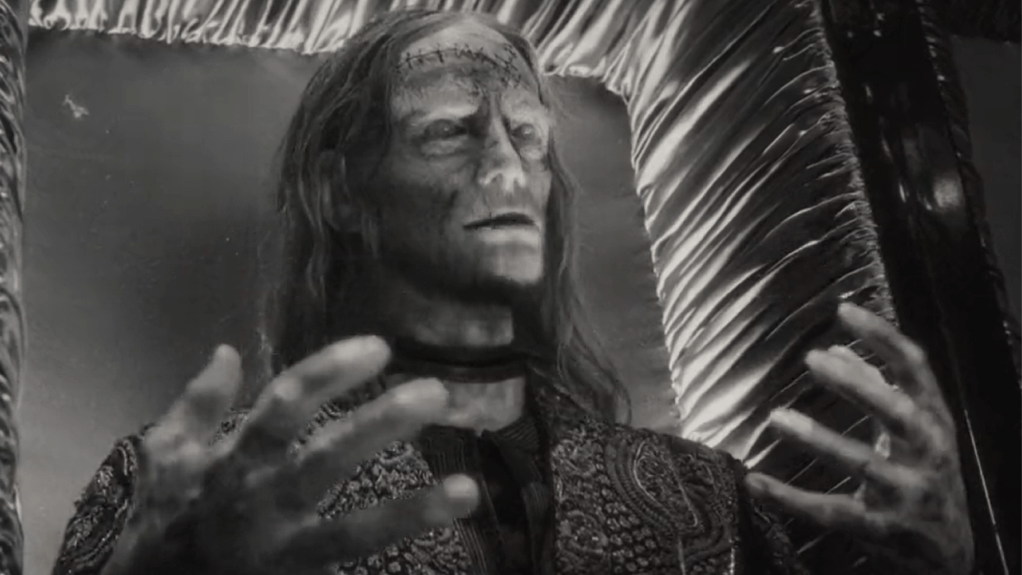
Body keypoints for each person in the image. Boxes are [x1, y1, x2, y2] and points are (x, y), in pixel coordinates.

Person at [50, 8, 974, 575]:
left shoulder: (708, 499)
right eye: (451, 128)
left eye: (528, 134)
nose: (505, 166)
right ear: (339, 190)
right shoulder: (193, 493)